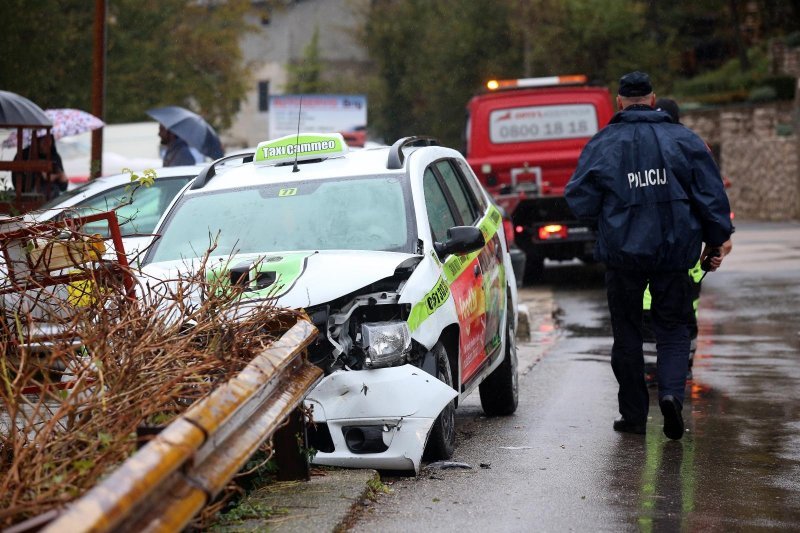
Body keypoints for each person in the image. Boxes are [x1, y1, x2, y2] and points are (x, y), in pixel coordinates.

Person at [565, 71, 733, 440]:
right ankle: (672, 395)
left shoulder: (603, 144)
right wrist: (716, 241)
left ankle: (634, 416)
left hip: (623, 257)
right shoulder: (684, 140)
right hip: (675, 254)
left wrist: (609, 214)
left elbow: (578, 199)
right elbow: (711, 197)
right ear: (654, 100)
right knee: (672, 329)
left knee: (627, 334)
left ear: (619, 101)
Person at [12, 132, 68, 201]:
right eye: (43, 140)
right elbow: (17, 182)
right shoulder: (24, 155)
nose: (47, 143)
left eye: (49, 139)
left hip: (52, 199)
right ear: (36, 141)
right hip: (29, 197)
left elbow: (63, 185)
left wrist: (57, 177)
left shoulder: (54, 157)